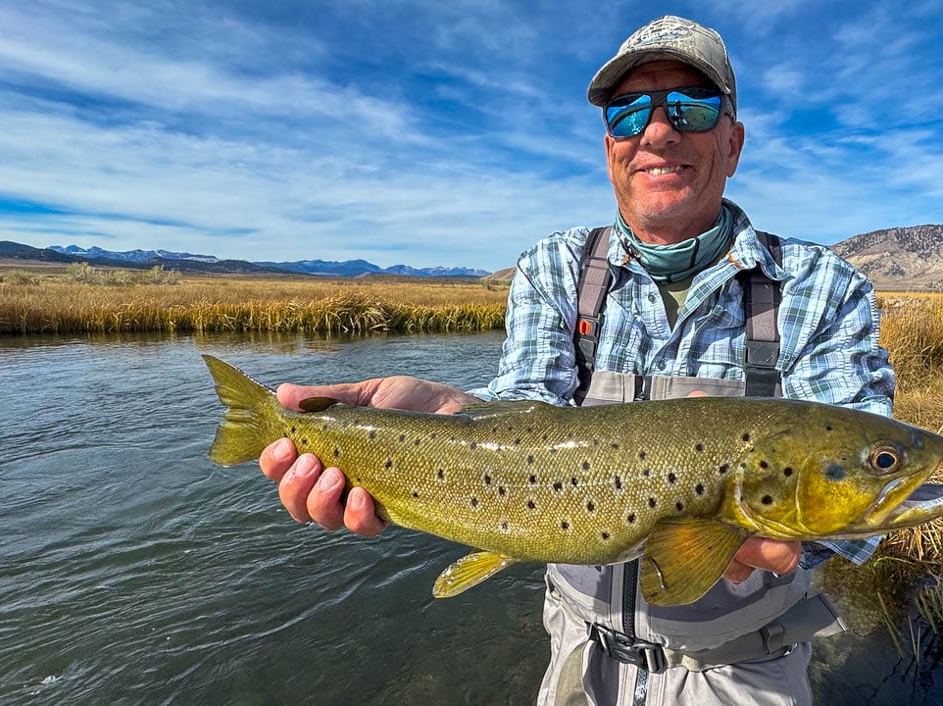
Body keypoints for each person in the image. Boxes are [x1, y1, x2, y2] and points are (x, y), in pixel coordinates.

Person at [259, 15, 894, 706]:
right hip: (576, 653)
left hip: (746, 668)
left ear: (733, 142)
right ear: (609, 146)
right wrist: (446, 427)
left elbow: (862, 508)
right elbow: (522, 417)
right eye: (630, 112)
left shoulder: (823, 287)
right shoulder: (555, 269)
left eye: (691, 106)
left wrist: (792, 540)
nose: (658, 131)